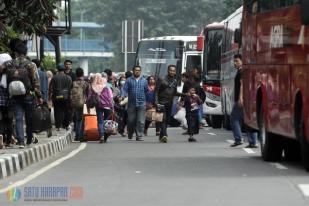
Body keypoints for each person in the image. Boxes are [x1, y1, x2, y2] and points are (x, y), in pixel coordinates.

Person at [5, 39, 43, 148]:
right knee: (29, 117)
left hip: (14, 95)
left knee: (18, 118)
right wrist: (39, 96)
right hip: (28, 95)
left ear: (15, 52)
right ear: (25, 53)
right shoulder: (31, 65)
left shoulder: (9, 63)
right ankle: (29, 138)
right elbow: (36, 81)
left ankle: (20, 141)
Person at [230, 54, 258, 148]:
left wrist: (240, 98)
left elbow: (242, 85)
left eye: (237, 61)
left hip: (242, 99)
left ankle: (238, 139)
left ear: (242, 61)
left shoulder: (242, 71)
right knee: (248, 119)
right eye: (234, 61)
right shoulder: (244, 71)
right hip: (248, 99)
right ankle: (252, 141)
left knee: (234, 117)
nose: (235, 63)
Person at [156, 65, 186, 143]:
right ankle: (165, 134)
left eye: (173, 71)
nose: (172, 72)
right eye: (170, 70)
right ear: (168, 71)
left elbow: (175, 92)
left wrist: (185, 94)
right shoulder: (161, 79)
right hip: (161, 102)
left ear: (175, 72)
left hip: (170, 103)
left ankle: (161, 135)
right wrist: (156, 102)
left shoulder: (175, 81)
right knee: (163, 119)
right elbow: (156, 91)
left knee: (167, 120)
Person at [122, 65, 148, 141]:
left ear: (140, 71)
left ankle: (139, 135)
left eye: (139, 70)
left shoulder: (144, 80)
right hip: (131, 103)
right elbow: (124, 90)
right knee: (130, 120)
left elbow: (146, 91)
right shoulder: (129, 80)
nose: (137, 71)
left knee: (141, 121)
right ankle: (130, 133)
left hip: (141, 103)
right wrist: (123, 96)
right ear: (133, 71)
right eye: (136, 70)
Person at [87, 73, 113, 143]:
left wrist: (88, 105)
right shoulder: (105, 86)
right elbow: (110, 97)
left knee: (100, 121)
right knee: (106, 121)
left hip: (98, 105)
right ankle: (105, 136)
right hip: (107, 106)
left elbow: (89, 97)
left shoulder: (92, 86)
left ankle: (101, 135)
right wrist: (112, 106)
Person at [49, 63, 72, 131]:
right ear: (64, 69)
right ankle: (66, 125)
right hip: (65, 97)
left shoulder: (54, 77)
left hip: (56, 97)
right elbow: (70, 87)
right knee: (66, 111)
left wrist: (50, 96)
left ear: (57, 69)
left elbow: (50, 88)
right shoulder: (68, 77)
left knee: (57, 111)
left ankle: (58, 126)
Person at [0, 53, 14, 148]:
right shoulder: (11, 75)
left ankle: (1, 136)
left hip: (0, 102)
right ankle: (8, 141)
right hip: (10, 102)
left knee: (0, 120)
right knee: (9, 121)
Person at [72, 67, 88, 142]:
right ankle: (81, 136)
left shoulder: (73, 83)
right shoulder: (85, 83)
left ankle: (77, 136)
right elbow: (88, 94)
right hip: (83, 103)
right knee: (82, 119)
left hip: (75, 103)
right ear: (83, 74)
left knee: (77, 119)